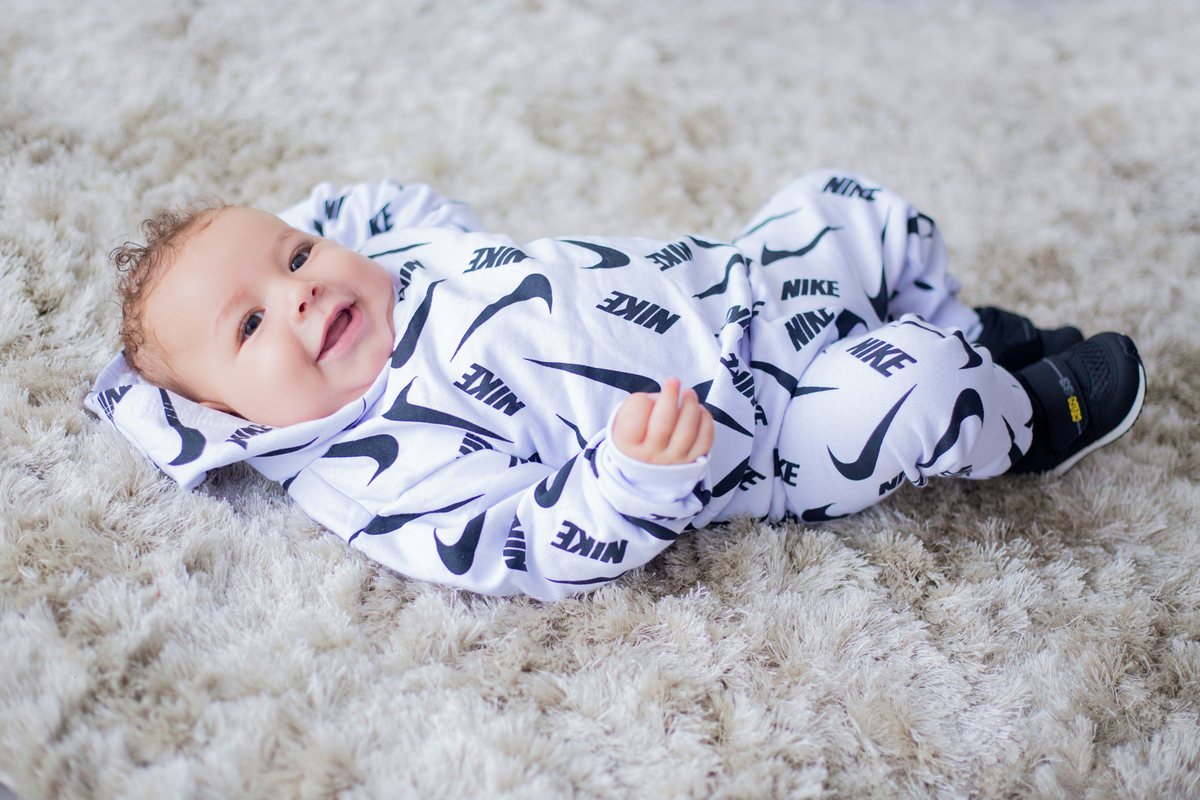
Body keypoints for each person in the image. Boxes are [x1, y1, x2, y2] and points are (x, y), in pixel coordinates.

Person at [86, 170, 1146, 600]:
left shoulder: (398, 260)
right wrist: (629, 481)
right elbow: (520, 547)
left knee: (852, 200)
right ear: (229, 414)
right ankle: (1026, 413)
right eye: (254, 323)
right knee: (916, 394)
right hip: (766, 427)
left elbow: (366, 205)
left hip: (742, 275)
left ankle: (951, 323)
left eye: (297, 258)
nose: (302, 293)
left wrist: (311, 236)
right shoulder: (376, 463)